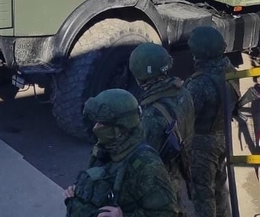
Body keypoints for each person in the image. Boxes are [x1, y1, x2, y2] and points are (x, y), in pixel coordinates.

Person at [63, 88, 180, 217]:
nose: (96, 127)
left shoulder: (145, 164)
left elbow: (167, 213)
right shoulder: (107, 148)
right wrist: (78, 192)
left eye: (103, 124)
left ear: (121, 127)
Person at [128, 43, 196, 216]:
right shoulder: (183, 92)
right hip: (182, 162)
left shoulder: (150, 114)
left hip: (164, 176)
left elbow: (146, 158)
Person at [184, 27, 237, 217]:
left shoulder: (198, 84)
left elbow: (185, 116)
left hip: (202, 145)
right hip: (223, 137)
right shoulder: (231, 71)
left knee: (203, 193)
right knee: (219, 188)